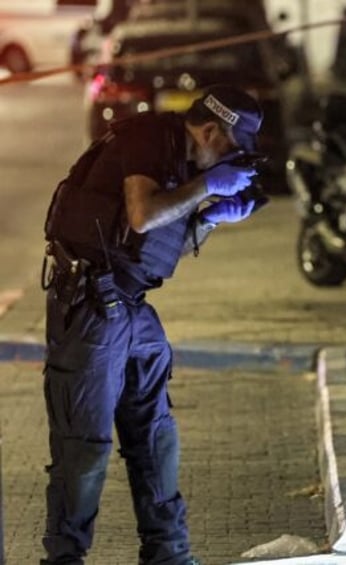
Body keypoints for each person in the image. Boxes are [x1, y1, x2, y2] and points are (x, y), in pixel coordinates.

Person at [39, 84, 264, 565]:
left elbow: (157, 248)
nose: (232, 162)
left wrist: (214, 219)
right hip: (89, 308)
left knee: (155, 435)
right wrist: (207, 187)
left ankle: (168, 553)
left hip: (129, 305)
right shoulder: (146, 139)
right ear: (210, 131)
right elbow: (142, 217)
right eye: (233, 150)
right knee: (85, 447)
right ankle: (65, 557)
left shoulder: (184, 164)